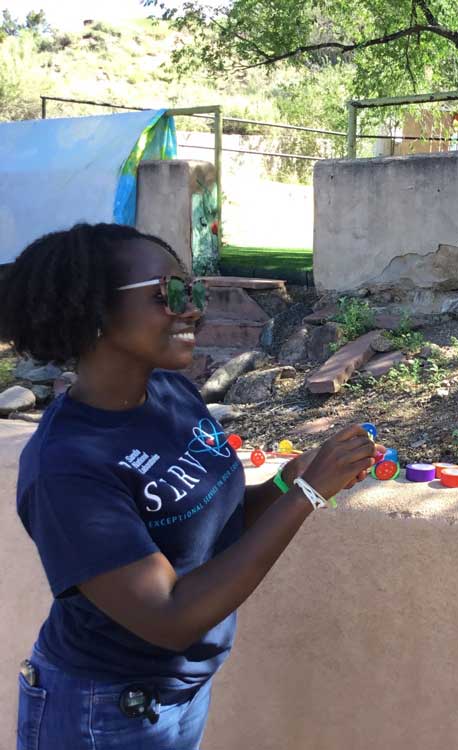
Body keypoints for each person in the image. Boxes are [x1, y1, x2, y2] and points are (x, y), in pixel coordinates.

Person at [2, 223, 377, 749]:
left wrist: (291, 479)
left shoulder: (172, 392)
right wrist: (306, 495)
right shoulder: (67, 466)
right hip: (101, 712)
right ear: (95, 311)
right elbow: (171, 615)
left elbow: (219, 523)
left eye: (193, 290)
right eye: (170, 294)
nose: (193, 308)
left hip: (179, 694)